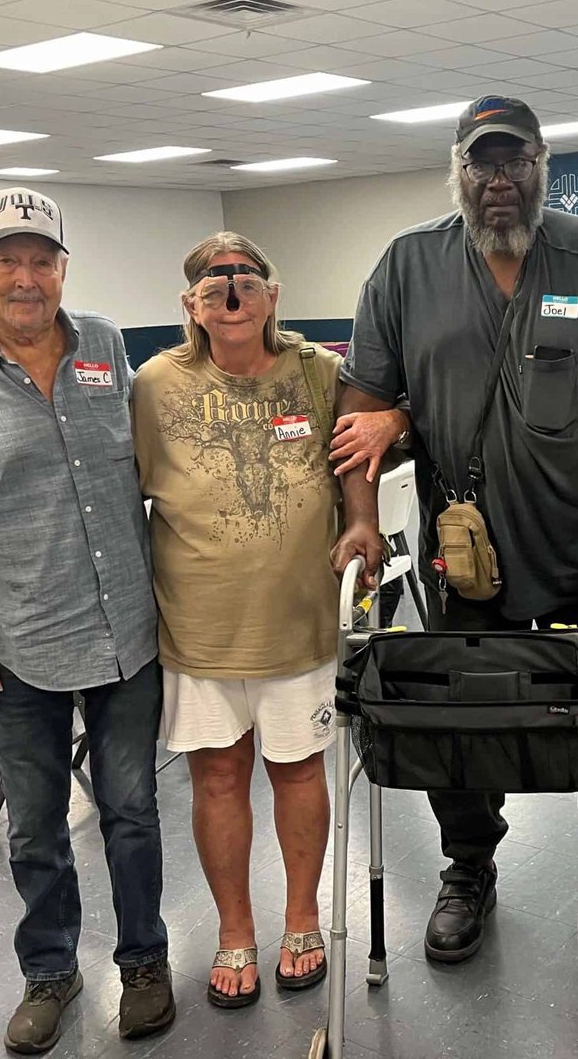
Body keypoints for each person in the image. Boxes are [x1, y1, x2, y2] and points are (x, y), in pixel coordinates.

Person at [331, 95, 578, 963]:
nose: (498, 181)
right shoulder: (407, 265)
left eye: (514, 162)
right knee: (465, 718)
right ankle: (469, 867)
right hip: (464, 557)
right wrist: (364, 523)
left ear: (541, 165)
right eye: (482, 164)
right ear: (458, 170)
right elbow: (363, 404)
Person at [0, 188, 174, 1053]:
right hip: (17, 644)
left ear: (62, 268)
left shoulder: (107, 346)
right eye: (5, 258)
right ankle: (49, 971)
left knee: (132, 812)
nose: (25, 277)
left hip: (125, 629)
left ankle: (145, 962)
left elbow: (149, 454)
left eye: (41, 259)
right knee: (37, 826)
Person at [131, 232, 408, 1009]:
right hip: (197, 628)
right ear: (190, 304)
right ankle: (232, 930)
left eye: (246, 278)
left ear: (272, 295)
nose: (231, 291)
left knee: (296, 772)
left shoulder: (320, 373)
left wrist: (367, 509)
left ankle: (301, 917)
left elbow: (380, 435)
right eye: (213, 281)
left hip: (300, 623)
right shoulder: (155, 384)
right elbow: (105, 482)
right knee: (217, 778)